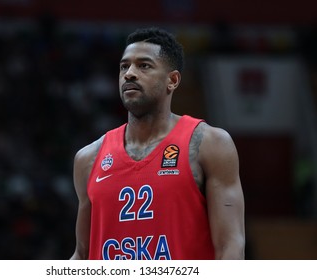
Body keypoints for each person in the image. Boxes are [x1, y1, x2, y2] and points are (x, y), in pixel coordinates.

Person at [70, 27, 245, 260]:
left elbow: (230, 247)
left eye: (144, 65)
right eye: (124, 66)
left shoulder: (209, 144)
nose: (130, 74)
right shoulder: (88, 158)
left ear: (172, 80)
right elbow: (81, 255)